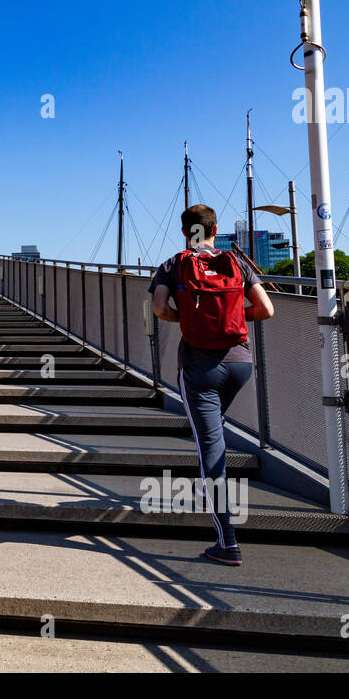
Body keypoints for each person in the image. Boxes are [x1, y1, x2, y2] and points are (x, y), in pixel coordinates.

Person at [150, 204, 275, 566]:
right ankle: (211, 465)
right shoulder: (237, 263)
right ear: (215, 229)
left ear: (185, 232)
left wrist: (186, 316)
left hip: (198, 367)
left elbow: (159, 309)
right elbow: (266, 310)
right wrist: (236, 316)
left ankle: (227, 544)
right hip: (240, 364)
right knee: (213, 429)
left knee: (210, 454)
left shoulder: (174, 264)